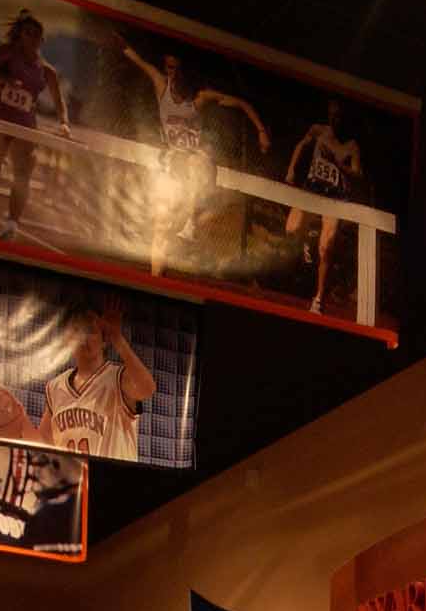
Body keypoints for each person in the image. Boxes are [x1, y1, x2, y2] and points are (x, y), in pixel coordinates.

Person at [120, 43, 269, 278]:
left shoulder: (200, 98)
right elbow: (137, 59)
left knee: (198, 159)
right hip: (173, 167)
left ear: (185, 72)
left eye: (178, 69)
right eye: (170, 68)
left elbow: (241, 103)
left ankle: (191, 220)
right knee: (161, 229)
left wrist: (261, 130)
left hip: (198, 166)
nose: (174, 75)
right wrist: (118, 41)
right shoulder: (161, 86)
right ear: (166, 69)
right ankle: (155, 277)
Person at [0, 10, 72, 241]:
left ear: (42, 40)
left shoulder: (47, 71)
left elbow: (59, 102)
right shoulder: (7, 53)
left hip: (25, 125)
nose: (32, 39)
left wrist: (64, 124)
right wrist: (2, 81)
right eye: (28, 33)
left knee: (23, 174)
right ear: (19, 35)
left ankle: (11, 224)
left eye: (37, 35)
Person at [39, 299, 155, 461]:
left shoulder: (118, 378)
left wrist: (118, 338)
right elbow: (42, 442)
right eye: (77, 330)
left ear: (104, 339)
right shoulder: (54, 387)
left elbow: (148, 388)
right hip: (73, 482)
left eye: (90, 330)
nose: (83, 337)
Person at [281, 97, 363, 315]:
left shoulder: (351, 145)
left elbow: (358, 173)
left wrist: (339, 165)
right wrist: (291, 169)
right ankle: (306, 239)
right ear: (328, 114)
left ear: (345, 119)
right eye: (332, 115)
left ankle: (318, 299)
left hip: (335, 197)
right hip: (312, 188)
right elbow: (301, 144)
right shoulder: (318, 131)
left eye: (339, 116)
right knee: (291, 229)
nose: (335, 119)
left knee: (326, 247)